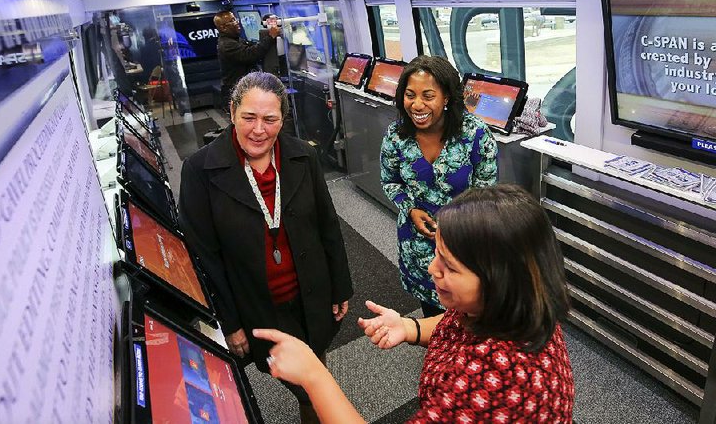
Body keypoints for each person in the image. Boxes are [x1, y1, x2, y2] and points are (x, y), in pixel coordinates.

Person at [254, 184, 575, 423]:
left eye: (449, 266)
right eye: (437, 253)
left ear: (498, 281)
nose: (432, 269)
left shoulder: (490, 380)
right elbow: (457, 321)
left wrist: (314, 374)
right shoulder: (519, 305)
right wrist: (409, 327)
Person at [178, 71, 353, 424]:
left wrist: (340, 285)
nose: (259, 130)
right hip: (257, 304)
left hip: (311, 291)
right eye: (249, 117)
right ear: (232, 112)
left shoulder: (302, 155)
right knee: (308, 384)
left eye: (270, 119)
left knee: (314, 364)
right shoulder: (199, 170)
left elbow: (327, 225)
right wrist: (229, 322)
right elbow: (202, 257)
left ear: (282, 120)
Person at [380, 55, 497, 317]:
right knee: (431, 314)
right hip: (418, 246)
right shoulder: (396, 135)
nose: (417, 104)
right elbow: (390, 181)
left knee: (469, 317)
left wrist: (456, 224)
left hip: (464, 245)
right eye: (410, 95)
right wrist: (409, 209)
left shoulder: (474, 135)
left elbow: (486, 195)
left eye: (428, 95)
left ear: (446, 98)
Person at [213, 10, 279, 112]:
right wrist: (270, 37)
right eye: (232, 20)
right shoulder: (227, 45)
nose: (237, 22)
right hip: (236, 90)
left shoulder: (235, 39)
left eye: (235, 19)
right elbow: (251, 55)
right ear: (223, 27)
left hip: (244, 87)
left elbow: (251, 48)